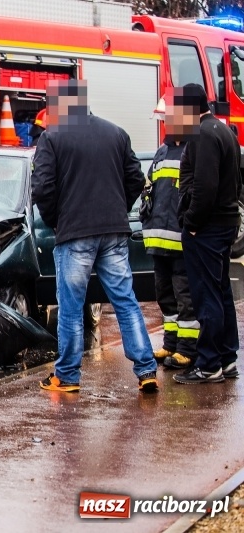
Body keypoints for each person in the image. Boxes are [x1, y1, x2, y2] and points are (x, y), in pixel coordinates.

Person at [31, 79, 158, 393]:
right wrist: (118, 209)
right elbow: (135, 179)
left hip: (74, 234)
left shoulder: (52, 138)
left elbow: (43, 189)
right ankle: (146, 370)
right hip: (114, 231)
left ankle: (68, 377)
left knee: (71, 307)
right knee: (126, 301)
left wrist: (56, 221)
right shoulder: (116, 133)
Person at [171, 83, 240, 384]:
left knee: (206, 295)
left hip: (207, 228)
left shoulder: (202, 135)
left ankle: (209, 363)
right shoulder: (224, 131)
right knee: (221, 290)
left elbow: (205, 186)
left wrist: (192, 221)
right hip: (224, 224)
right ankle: (227, 358)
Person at [140, 97, 198, 370]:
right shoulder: (162, 152)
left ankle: (188, 349)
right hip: (158, 240)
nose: (166, 124)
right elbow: (149, 188)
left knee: (184, 297)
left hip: (181, 241)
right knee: (165, 296)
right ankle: (171, 344)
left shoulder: (193, 150)